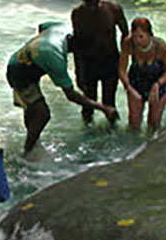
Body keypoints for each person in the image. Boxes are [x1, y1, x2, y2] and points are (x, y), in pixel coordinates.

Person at [7, 22, 119, 153]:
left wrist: (37, 51)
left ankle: (34, 141)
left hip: (23, 60)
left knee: (33, 110)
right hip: (19, 74)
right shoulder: (55, 57)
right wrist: (103, 108)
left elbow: (42, 27)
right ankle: (27, 152)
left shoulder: (61, 28)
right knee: (42, 115)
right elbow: (70, 95)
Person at [70, 0, 128, 125]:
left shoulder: (113, 9)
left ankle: (112, 131)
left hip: (110, 60)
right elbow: (77, 43)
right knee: (88, 101)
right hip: (89, 62)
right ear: (82, 0)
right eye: (88, 4)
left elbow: (126, 35)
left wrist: (124, 62)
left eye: (94, 3)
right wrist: (78, 71)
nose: (92, 7)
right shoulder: (77, 14)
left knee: (109, 100)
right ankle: (86, 131)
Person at [119, 17, 166, 131]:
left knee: (153, 123)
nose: (138, 40)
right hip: (137, 80)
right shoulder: (128, 43)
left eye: (141, 37)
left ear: (149, 35)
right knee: (134, 122)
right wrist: (129, 88)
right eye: (134, 36)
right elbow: (122, 70)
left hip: (159, 81)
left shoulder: (160, 46)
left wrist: (157, 85)